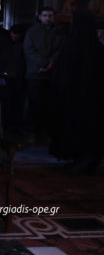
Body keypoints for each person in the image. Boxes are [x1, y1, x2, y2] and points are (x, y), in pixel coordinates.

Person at [49, 9, 104, 174]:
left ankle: (85, 160)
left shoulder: (76, 47)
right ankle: (81, 159)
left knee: (83, 130)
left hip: (80, 100)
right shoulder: (94, 48)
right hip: (84, 100)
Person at [23, 6, 62, 143]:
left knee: (49, 105)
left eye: (50, 15)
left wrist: (51, 63)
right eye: (45, 15)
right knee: (34, 104)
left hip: (51, 74)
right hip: (35, 73)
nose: (47, 18)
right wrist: (43, 63)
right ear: (39, 17)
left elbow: (59, 50)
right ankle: (32, 132)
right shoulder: (32, 32)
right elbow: (29, 50)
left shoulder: (58, 32)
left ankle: (46, 132)